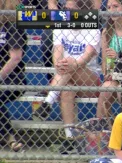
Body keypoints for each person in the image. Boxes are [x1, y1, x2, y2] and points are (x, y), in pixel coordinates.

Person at [32, 0, 101, 153]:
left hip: (88, 80)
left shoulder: (93, 28)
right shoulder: (61, 25)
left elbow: (87, 57)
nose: (66, 12)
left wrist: (70, 64)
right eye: (65, 9)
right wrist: (58, 64)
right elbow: (56, 53)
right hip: (64, 78)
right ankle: (70, 137)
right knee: (67, 90)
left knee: (72, 64)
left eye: (71, 9)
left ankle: (48, 100)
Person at [0, 0, 27, 152]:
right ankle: (10, 138)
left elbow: (15, 57)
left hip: (13, 78)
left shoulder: (14, 27)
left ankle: (10, 138)